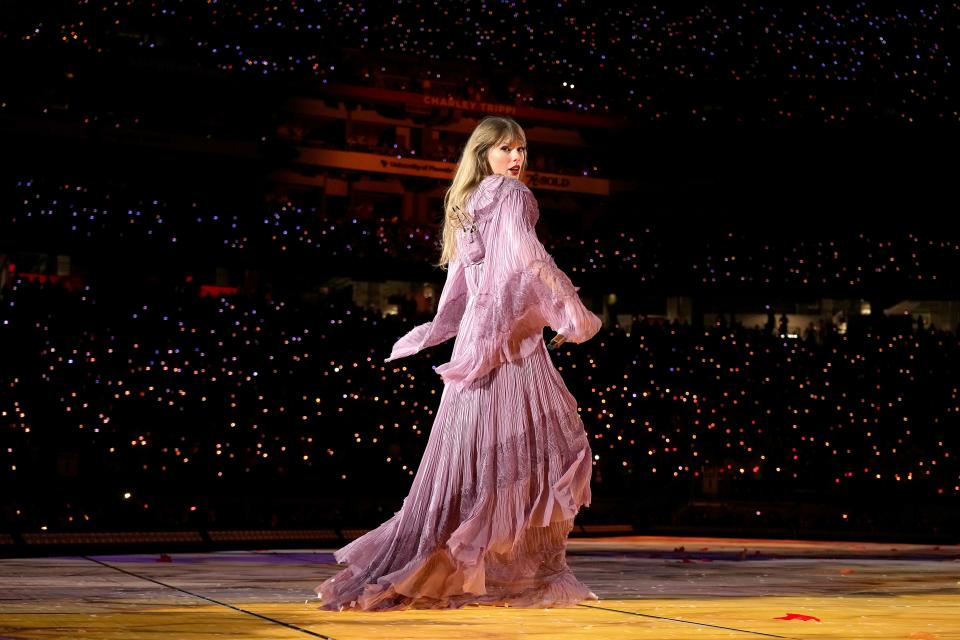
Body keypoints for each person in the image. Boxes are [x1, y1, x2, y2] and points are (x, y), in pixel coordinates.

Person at [315, 116, 603, 611]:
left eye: (522, 149)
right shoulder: (510, 196)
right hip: (507, 341)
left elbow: (462, 286)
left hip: (478, 339)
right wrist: (574, 314)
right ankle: (499, 570)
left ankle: (456, 566)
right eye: (506, 149)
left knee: (474, 455)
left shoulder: (467, 202)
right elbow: (528, 258)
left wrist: (441, 330)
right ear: (483, 153)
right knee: (553, 444)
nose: (517, 159)